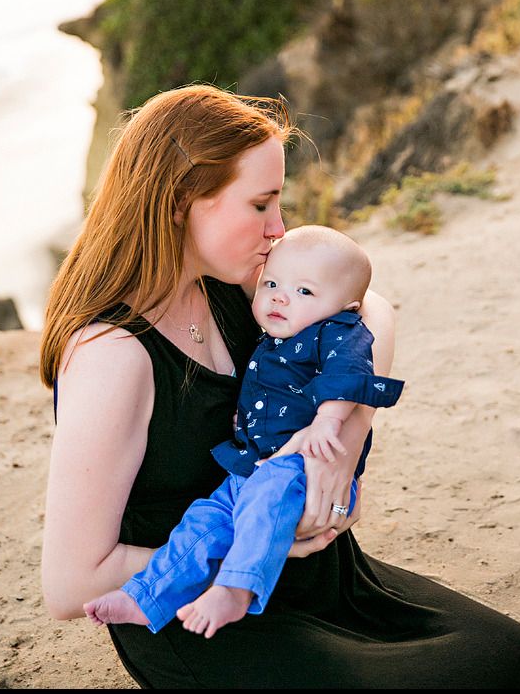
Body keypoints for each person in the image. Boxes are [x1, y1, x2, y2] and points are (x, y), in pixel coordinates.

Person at [40, 84, 520, 689]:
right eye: (260, 205)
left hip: (328, 580)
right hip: (210, 620)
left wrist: (339, 450)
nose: (279, 228)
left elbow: (372, 312)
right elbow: (70, 584)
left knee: (513, 660)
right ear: (179, 202)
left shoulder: (237, 280)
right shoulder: (112, 356)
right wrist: (258, 548)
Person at [82, 225, 404, 638]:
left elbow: (349, 373)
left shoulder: (337, 331)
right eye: (271, 283)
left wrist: (331, 423)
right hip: (252, 470)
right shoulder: (275, 330)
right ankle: (146, 596)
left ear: (346, 306)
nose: (280, 296)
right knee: (206, 520)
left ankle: (237, 588)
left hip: (301, 471)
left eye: (304, 291)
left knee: (264, 499)